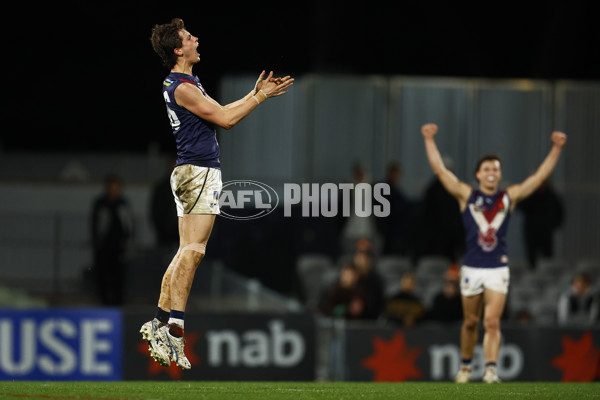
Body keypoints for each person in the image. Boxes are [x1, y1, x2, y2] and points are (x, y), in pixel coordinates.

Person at [140, 18, 294, 369]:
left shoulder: (185, 81)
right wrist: (259, 96)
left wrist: (255, 94)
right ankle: (174, 332)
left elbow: (221, 113)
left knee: (185, 251)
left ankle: (159, 322)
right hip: (197, 173)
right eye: (189, 36)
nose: (196, 38)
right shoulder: (182, 86)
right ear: (179, 50)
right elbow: (226, 119)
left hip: (192, 172)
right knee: (193, 251)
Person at [420, 123, 567, 383]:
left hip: (497, 267)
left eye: (495, 169)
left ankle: (490, 369)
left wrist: (556, 148)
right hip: (472, 266)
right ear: (478, 174)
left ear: (499, 175)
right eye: (487, 168)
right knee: (469, 322)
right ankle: (465, 367)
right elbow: (440, 171)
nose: (491, 172)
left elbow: (539, 178)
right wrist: (429, 140)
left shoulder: (508, 198)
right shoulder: (467, 196)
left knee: (491, 322)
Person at [90, 174, 134, 306]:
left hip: (119, 247)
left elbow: (129, 224)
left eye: (117, 187)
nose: (115, 190)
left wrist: (127, 241)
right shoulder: (100, 204)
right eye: (112, 187)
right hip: (103, 247)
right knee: (103, 276)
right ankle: (104, 302)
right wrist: (97, 242)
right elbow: (95, 225)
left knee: (119, 276)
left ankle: (118, 303)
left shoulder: (123, 204)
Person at [517, 180, 564, 269]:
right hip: (531, 231)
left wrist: (553, 225)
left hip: (546, 232)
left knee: (547, 257)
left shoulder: (551, 196)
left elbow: (559, 212)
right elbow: (520, 205)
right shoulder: (530, 195)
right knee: (531, 257)